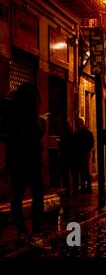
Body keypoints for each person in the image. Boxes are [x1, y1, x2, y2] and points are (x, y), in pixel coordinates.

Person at [5, 82, 50, 250]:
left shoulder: (11, 112)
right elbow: (34, 134)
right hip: (30, 159)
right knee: (37, 194)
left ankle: (21, 231)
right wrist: (42, 124)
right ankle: (36, 233)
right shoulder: (31, 115)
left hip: (14, 158)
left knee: (17, 196)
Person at [74, 118, 94, 194]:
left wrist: (86, 151)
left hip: (84, 154)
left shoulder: (87, 133)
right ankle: (83, 187)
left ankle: (87, 187)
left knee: (84, 171)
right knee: (81, 171)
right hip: (80, 154)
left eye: (78, 124)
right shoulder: (79, 132)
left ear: (81, 124)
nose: (77, 126)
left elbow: (91, 144)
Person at [59, 120, 75, 196]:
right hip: (71, 155)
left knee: (66, 173)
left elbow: (63, 144)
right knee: (72, 172)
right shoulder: (72, 133)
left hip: (65, 155)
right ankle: (73, 189)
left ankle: (68, 189)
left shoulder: (64, 134)